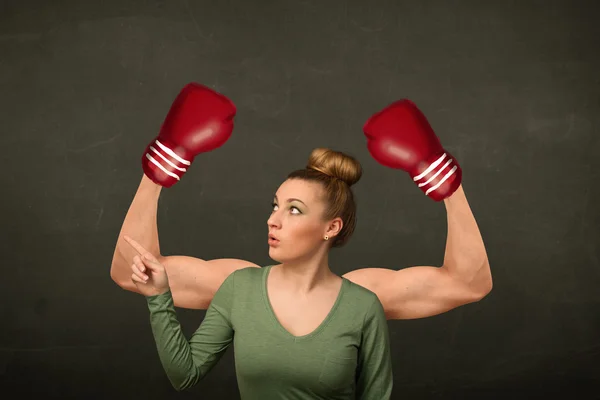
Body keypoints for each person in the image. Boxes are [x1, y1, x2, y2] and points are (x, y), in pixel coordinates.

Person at [110, 83, 493, 397]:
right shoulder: (239, 286)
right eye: (274, 205)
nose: (272, 220)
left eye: (293, 209)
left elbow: (469, 283)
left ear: (332, 227)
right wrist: (158, 169)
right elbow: (133, 272)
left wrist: (444, 182)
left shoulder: (363, 300)